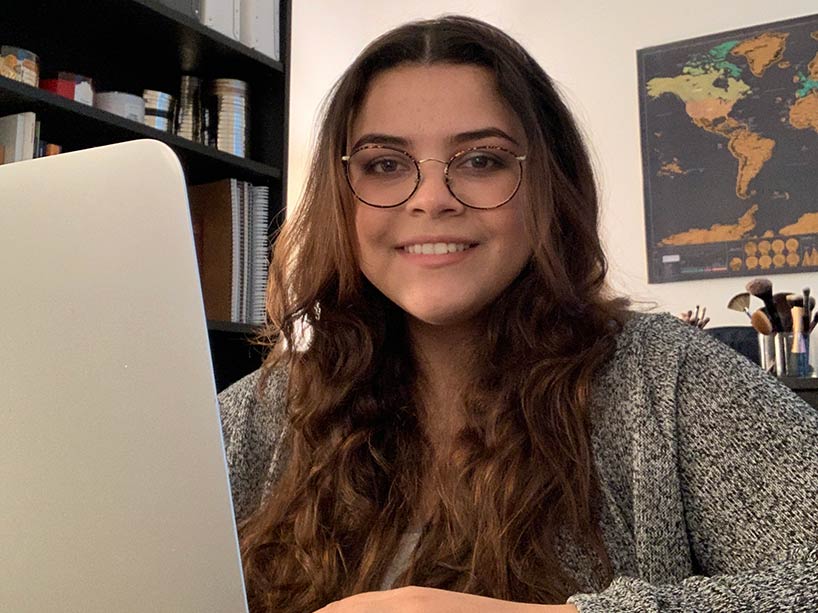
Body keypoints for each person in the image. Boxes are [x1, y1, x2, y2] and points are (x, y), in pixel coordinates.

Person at [217, 14, 818, 613]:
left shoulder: (667, 382)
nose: (431, 199)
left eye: (481, 160)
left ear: (547, 185)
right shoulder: (271, 411)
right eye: (385, 164)